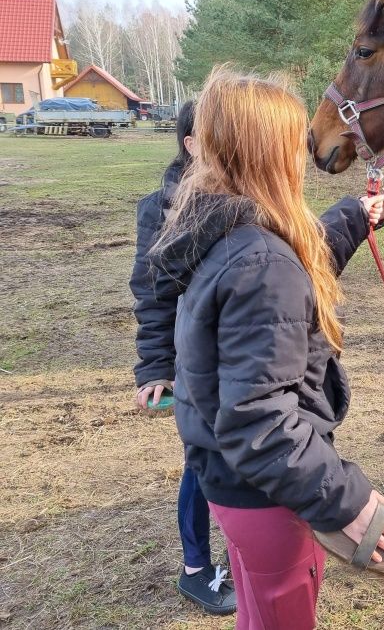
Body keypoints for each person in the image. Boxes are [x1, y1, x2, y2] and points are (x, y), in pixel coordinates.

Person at [147, 67, 384, 630]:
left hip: (229, 480)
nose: (304, 152)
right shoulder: (260, 261)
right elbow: (262, 421)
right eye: (295, 140)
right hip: (266, 495)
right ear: (269, 152)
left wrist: (354, 219)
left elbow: (289, 269)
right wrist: (348, 500)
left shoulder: (218, 229)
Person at [130, 101, 237, 615]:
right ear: (191, 145)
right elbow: (151, 294)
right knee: (200, 461)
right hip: (194, 362)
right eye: (216, 137)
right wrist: (154, 366)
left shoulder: (242, 197)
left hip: (238, 354)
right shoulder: (160, 209)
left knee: (241, 456)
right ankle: (197, 569)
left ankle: (244, 549)